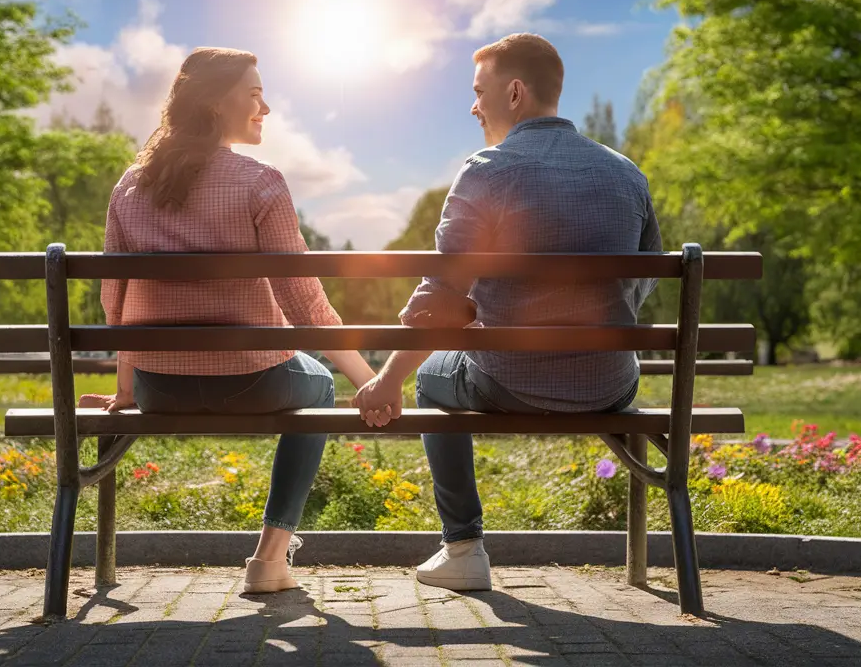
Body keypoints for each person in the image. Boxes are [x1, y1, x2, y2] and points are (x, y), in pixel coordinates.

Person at [352, 33, 664, 592]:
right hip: (610, 385)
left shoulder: (486, 171)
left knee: (431, 378)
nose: (473, 107)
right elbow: (642, 281)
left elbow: (441, 300)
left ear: (515, 92)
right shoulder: (626, 174)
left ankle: (463, 548)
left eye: (480, 92)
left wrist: (388, 378)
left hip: (509, 383)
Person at [77, 47, 384, 594]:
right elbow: (304, 303)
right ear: (217, 102)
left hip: (158, 389)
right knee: (319, 386)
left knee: (303, 377)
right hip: (252, 382)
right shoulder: (260, 182)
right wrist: (370, 382)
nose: (266, 108)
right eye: (255, 94)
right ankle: (269, 559)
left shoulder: (131, 186)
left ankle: (270, 558)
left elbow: (115, 300)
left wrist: (127, 389)